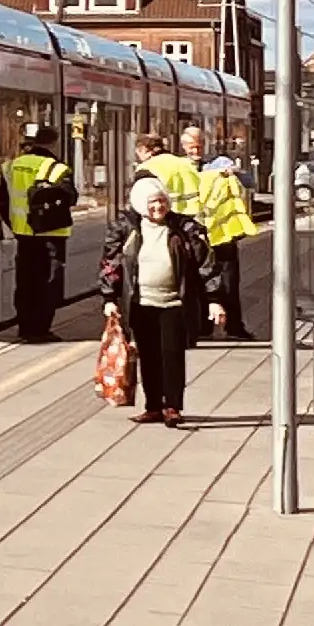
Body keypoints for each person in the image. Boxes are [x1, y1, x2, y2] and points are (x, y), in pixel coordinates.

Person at [103, 171, 207, 426]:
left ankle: (172, 406)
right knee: (148, 356)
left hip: (173, 302)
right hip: (140, 304)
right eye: (152, 202)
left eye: (162, 201)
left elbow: (205, 263)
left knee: (172, 354)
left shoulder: (184, 228)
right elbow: (110, 265)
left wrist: (214, 298)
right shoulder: (125, 229)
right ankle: (152, 406)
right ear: (140, 204)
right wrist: (109, 298)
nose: (158, 207)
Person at [1, 121, 73, 341]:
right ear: (54, 143)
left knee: (25, 283)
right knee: (47, 283)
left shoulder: (11, 166)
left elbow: (2, 200)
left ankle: (25, 327)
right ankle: (41, 329)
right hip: (51, 235)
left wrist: (13, 223)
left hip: (23, 234)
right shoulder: (57, 168)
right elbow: (71, 197)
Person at [187, 124, 258, 339]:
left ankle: (234, 326)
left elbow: (249, 182)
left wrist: (235, 172)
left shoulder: (220, 163)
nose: (195, 151)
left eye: (198, 146)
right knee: (196, 282)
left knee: (228, 282)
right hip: (196, 237)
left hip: (223, 235)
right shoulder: (181, 168)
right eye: (191, 147)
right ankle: (201, 326)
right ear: (183, 147)